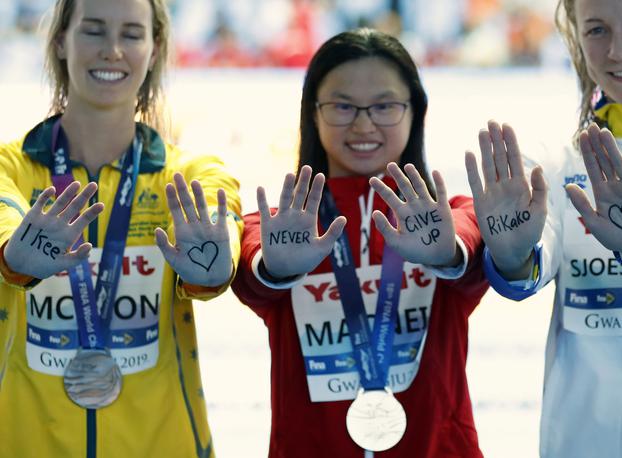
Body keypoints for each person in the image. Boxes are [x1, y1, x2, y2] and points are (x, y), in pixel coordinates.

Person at [0, 0, 242, 456]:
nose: (112, 49)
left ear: (154, 51)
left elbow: (220, 222)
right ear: (59, 42)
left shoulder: (191, 173)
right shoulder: (9, 168)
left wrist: (211, 270)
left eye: (131, 34)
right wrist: (14, 258)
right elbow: (3, 223)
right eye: (93, 31)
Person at [231, 28, 488, 457]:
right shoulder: (283, 229)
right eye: (343, 106)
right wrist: (276, 270)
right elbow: (254, 265)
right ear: (312, 113)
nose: (364, 124)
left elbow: (469, 240)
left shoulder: (448, 218)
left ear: (415, 112)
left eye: (385, 106)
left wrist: (446, 254)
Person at [465, 0, 622, 456]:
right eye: (597, 30)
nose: (618, 50)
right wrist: (511, 255)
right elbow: (525, 269)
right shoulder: (557, 161)